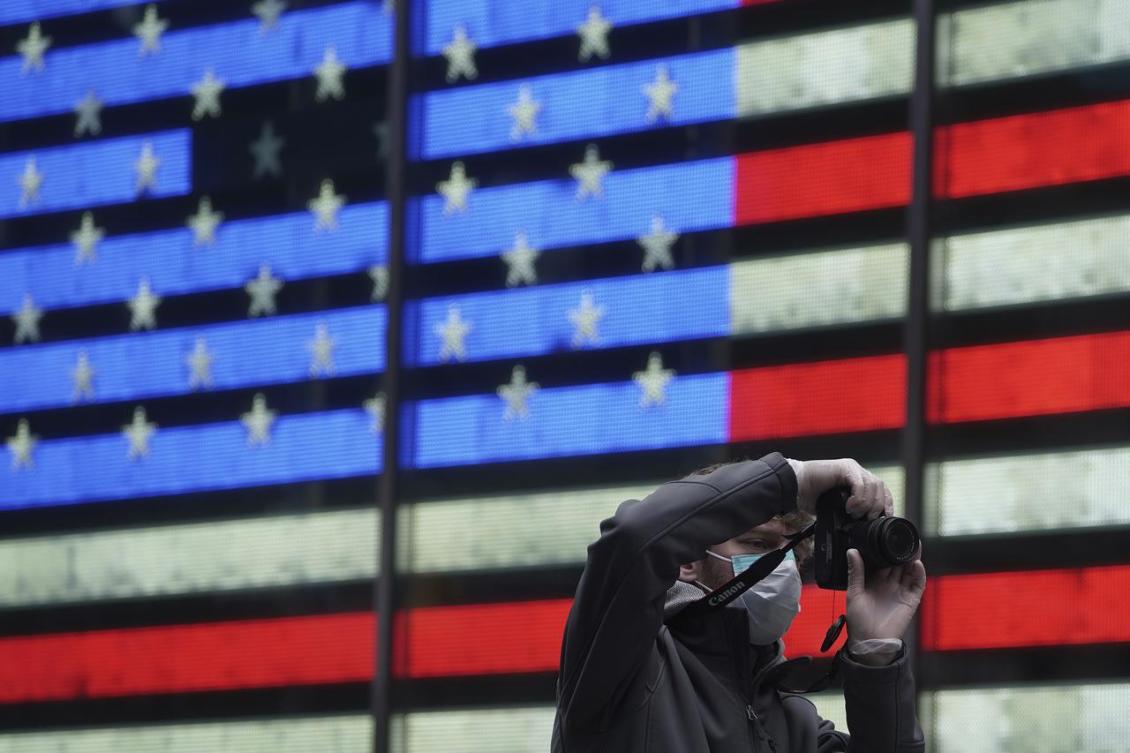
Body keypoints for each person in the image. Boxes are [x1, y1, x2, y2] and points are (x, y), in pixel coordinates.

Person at [551, 452, 927, 753]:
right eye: (758, 545)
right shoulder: (623, 665)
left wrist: (875, 656)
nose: (783, 566)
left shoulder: (795, 725)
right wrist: (792, 480)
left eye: (793, 553)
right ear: (686, 560)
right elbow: (634, 536)